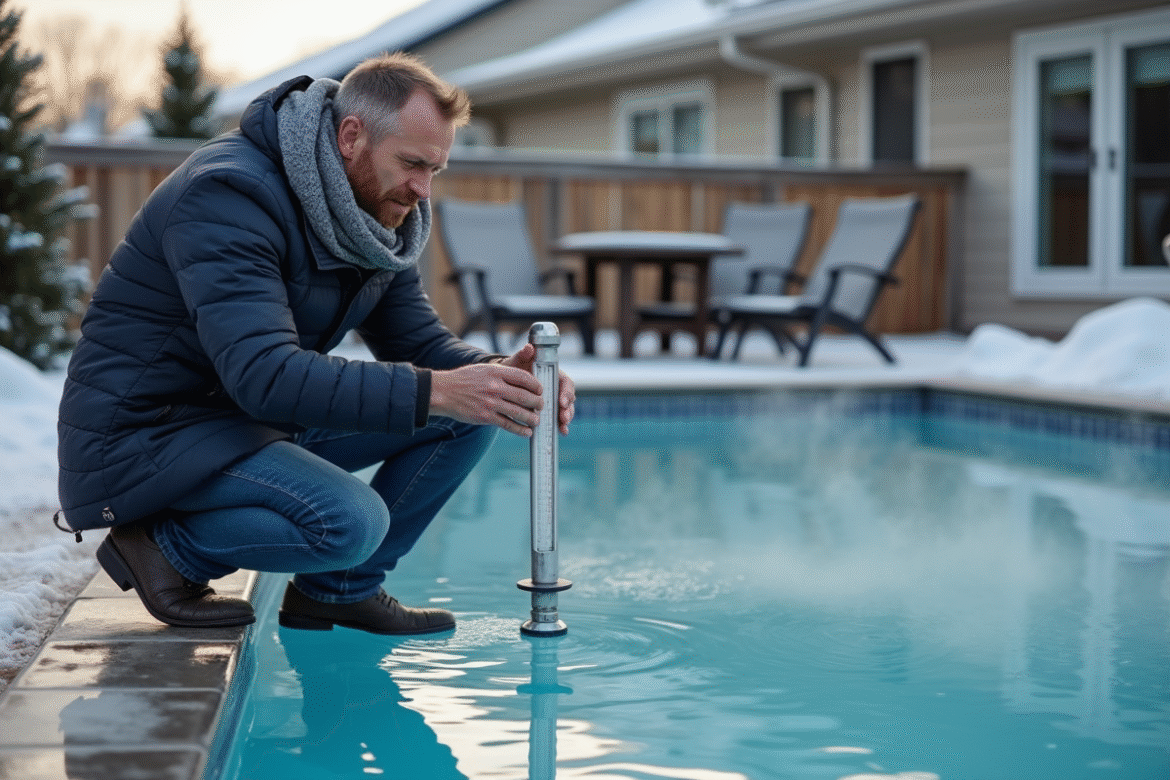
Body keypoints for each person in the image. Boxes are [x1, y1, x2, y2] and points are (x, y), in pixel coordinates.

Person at [55, 52, 575, 635]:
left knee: (473, 413)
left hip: (240, 418)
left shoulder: (373, 211)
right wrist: (441, 389)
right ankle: (165, 550)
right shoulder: (228, 194)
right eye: (411, 163)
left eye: (436, 169)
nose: (422, 189)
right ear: (352, 135)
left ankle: (339, 592)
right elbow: (265, 374)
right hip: (151, 431)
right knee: (349, 522)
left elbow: (416, 340)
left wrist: (504, 374)